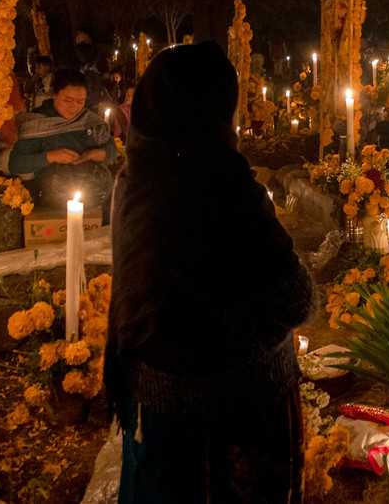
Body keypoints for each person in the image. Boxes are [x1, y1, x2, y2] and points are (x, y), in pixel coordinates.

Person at [105, 41, 313, 502]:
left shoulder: (135, 182)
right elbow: (297, 300)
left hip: (157, 403)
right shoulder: (226, 187)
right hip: (237, 405)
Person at [8, 69, 117, 211]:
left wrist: (97, 153)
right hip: (51, 205)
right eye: (68, 100)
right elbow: (15, 164)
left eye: (80, 101)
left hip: (94, 199)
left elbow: (111, 148)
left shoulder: (88, 120)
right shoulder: (38, 123)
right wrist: (51, 156)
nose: (74, 107)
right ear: (54, 94)